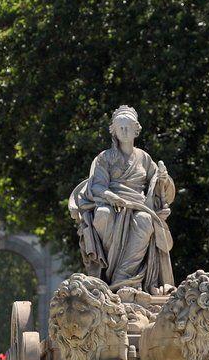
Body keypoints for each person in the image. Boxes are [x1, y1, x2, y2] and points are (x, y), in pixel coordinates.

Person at [68, 105, 177, 293]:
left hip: (139, 206)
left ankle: (124, 277)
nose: (125, 131)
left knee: (145, 221)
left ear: (136, 129)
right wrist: (111, 196)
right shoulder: (105, 158)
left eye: (128, 127)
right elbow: (97, 185)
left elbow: (157, 187)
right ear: (114, 131)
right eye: (120, 127)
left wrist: (163, 180)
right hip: (111, 203)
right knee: (102, 215)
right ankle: (109, 274)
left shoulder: (144, 158)